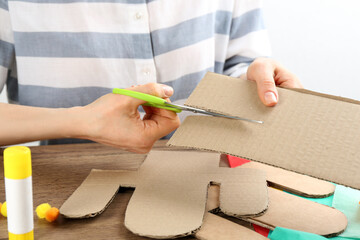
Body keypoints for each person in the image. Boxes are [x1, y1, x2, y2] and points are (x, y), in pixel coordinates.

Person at [0, 0, 302, 153]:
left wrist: (256, 81)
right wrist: (83, 121)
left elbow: (240, 63)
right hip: (69, 193)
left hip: (209, 178)